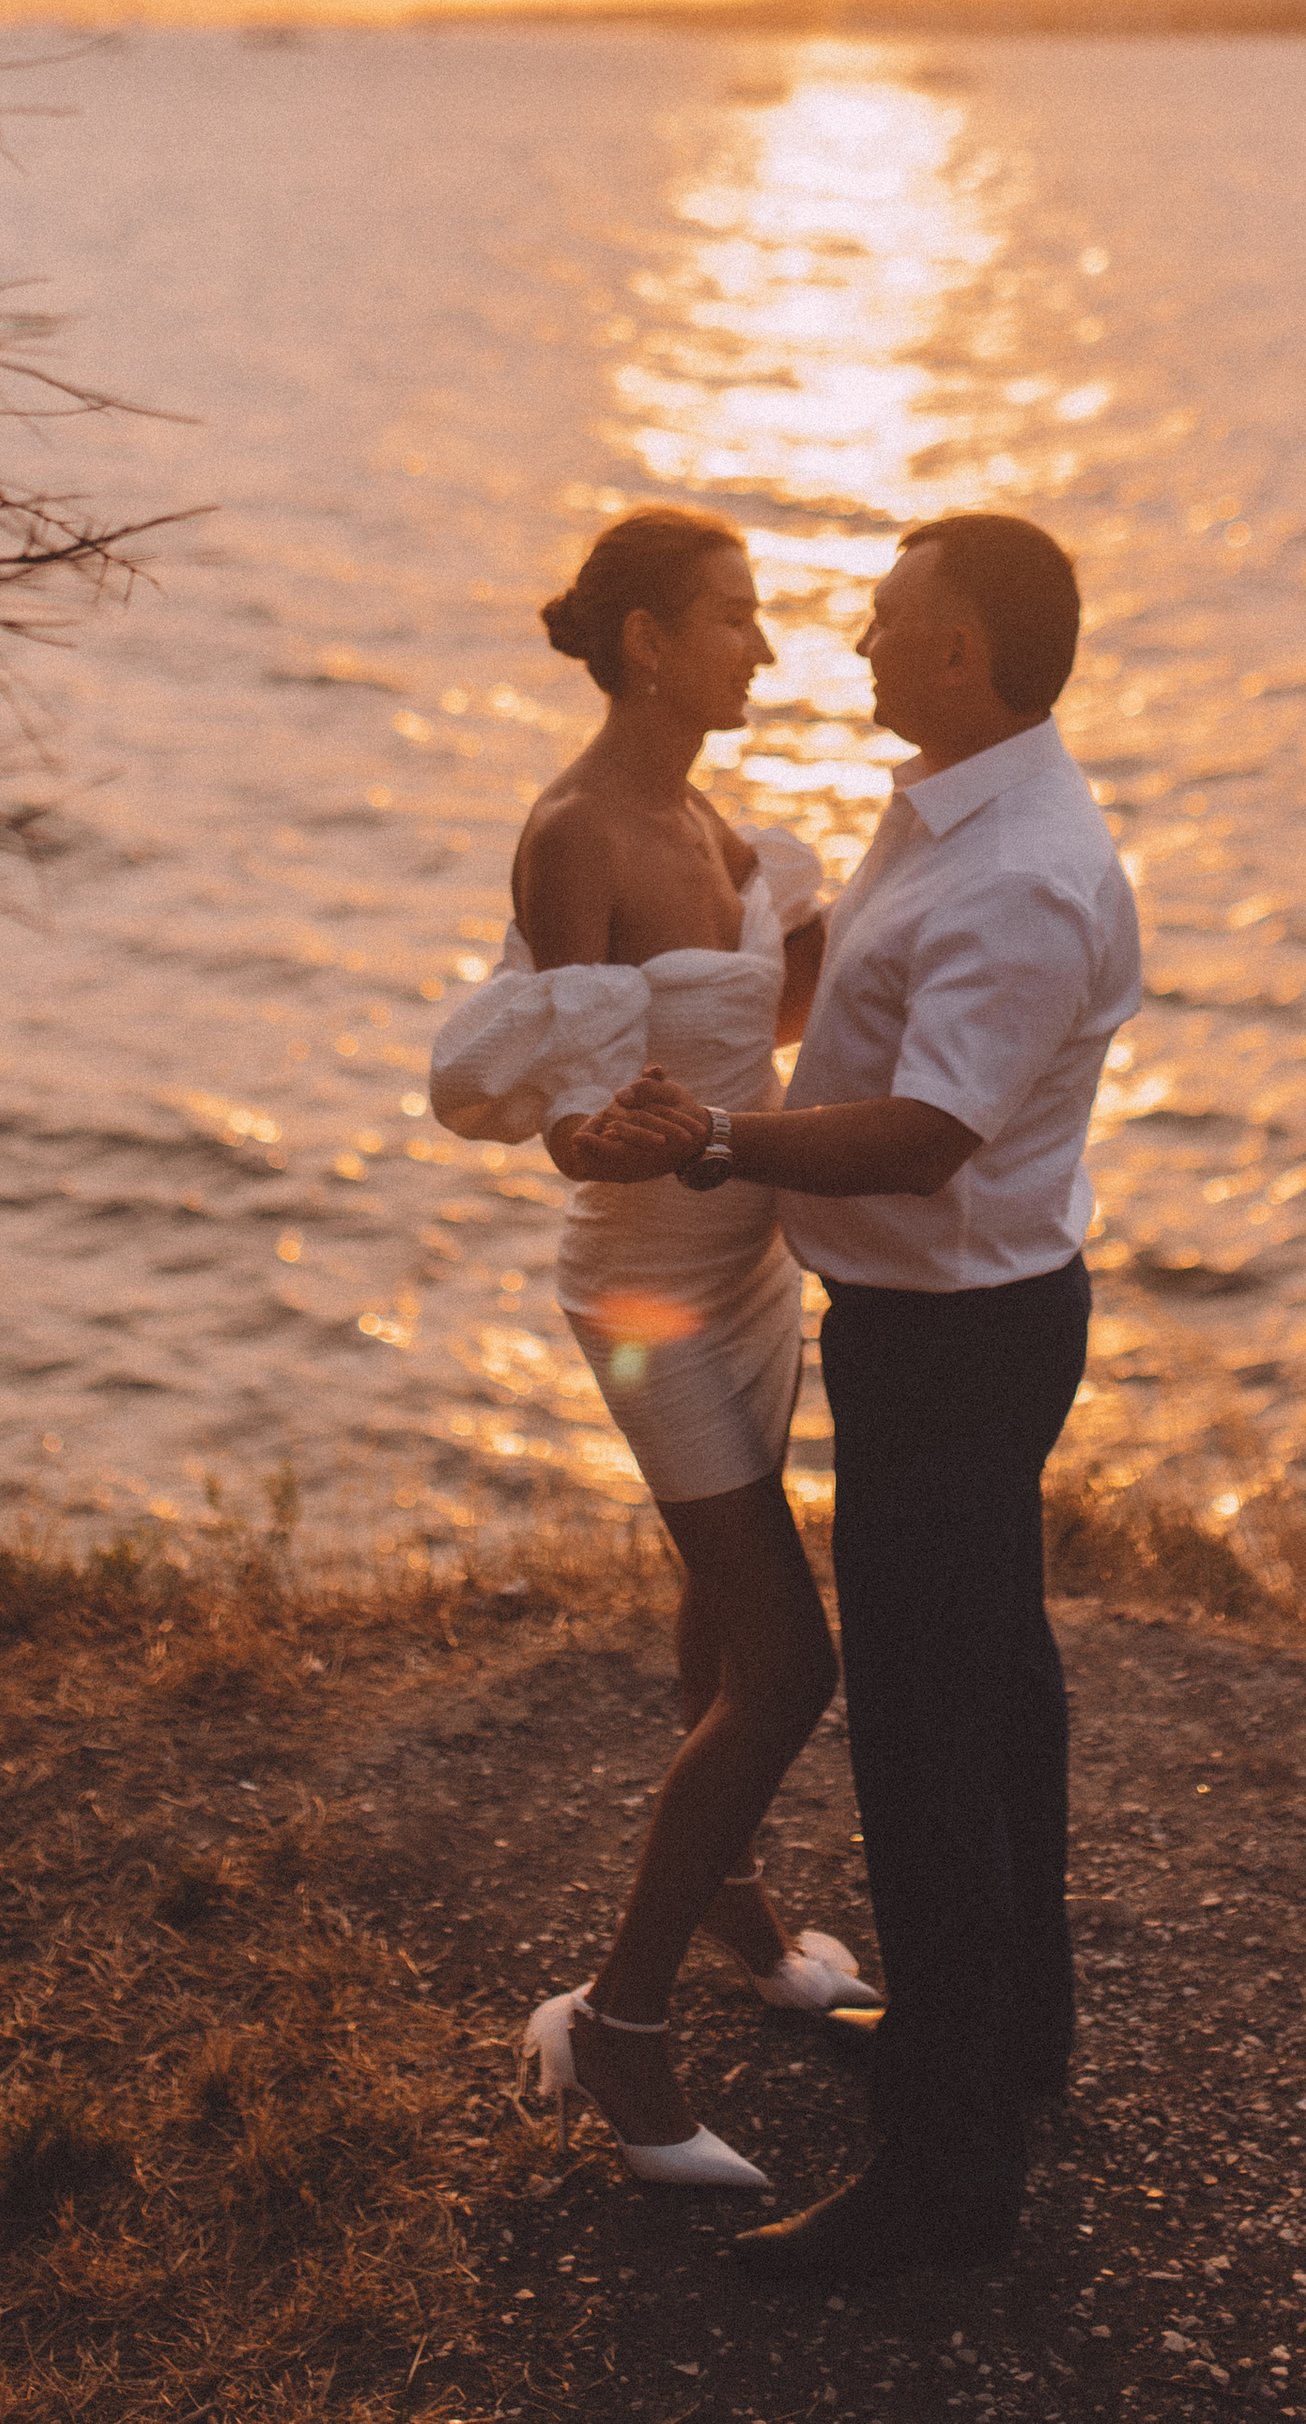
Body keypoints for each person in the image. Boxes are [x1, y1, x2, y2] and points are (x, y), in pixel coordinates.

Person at [593, 511, 1142, 2283]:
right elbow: (858, 1002)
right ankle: (1008, 2046)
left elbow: (927, 1136)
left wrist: (721, 1139)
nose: (856, 643)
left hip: (957, 1345)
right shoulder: (958, 801)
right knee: (1003, 1694)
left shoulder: (1024, 875)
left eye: (890, 622)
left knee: (924, 1747)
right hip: (960, 1324)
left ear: (968, 656)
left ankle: (942, 2192)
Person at [427, 506, 874, 2194]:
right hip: (642, 1298)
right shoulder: (580, 833)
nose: (764, 648)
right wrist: (610, 1134)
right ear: (647, 643)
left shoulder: (720, 825)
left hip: (750, 1267)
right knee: (788, 1667)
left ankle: (746, 1921)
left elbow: (756, 1024)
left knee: (718, 1631)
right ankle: (613, 2028)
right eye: (737, 618)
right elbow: (569, 1110)